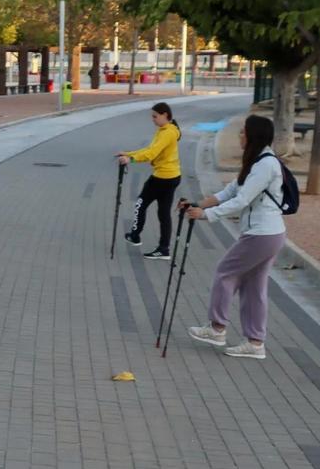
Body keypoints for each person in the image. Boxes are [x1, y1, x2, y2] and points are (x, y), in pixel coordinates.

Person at [186, 115, 286, 360]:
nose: (239, 135)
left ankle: (217, 328)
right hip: (267, 234)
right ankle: (255, 343)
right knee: (254, 287)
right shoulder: (256, 161)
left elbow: (242, 201)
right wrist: (197, 204)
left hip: (262, 234)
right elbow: (230, 191)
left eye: (243, 132)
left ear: (253, 135)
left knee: (225, 272)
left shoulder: (265, 165)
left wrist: (206, 215)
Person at [117, 102, 182, 259]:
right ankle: (164, 249)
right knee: (164, 213)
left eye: (155, 116)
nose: (153, 119)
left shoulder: (167, 133)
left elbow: (151, 153)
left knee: (140, 204)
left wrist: (130, 159)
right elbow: (148, 149)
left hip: (162, 178)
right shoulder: (167, 130)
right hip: (172, 176)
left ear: (165, 115)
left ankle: (135, 235)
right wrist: (128, 153)